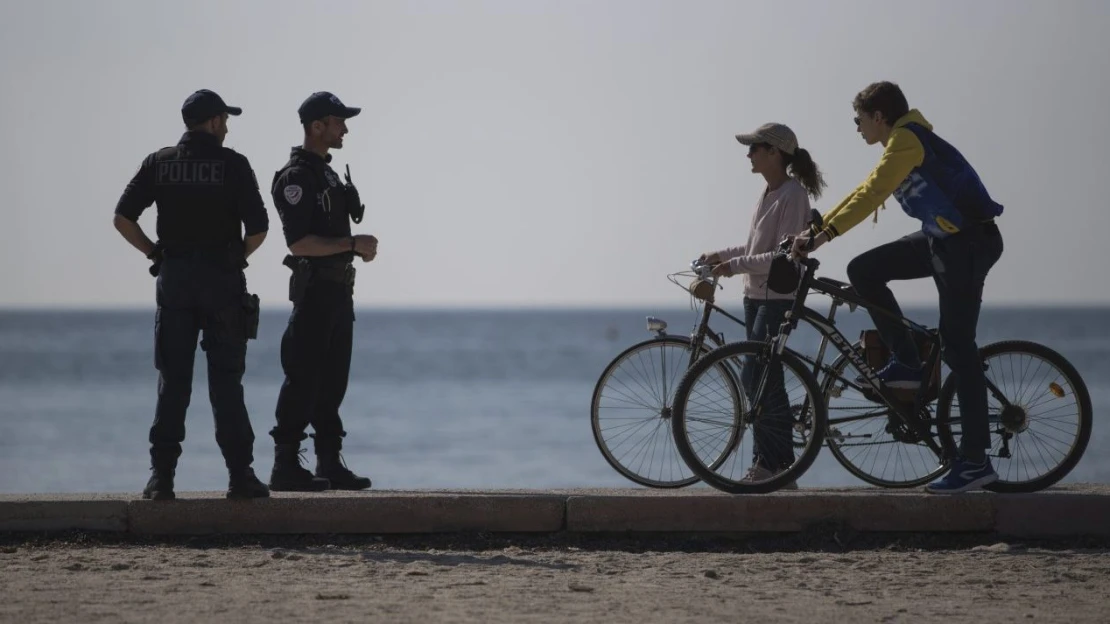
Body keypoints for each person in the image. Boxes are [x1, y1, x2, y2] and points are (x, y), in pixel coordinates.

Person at [791, 81, 1004, 494]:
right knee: (864, 270)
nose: (856, 129)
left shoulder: (907, 139)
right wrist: (817, 227)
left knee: (958, 345)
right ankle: (906, 363)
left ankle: (976, 461)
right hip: (943, 239)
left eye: (859, 120)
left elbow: (873, 193)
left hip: (969, 243)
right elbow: (864, 188)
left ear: (878, 117)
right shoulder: (900, 142)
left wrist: (822, 237)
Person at [112, 89, 271, 500]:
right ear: (215, 122)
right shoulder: (234, 164)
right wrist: (236, 257)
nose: (228, 127)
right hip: (222, 282)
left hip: (176, 281)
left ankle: (161, 479)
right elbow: (258, 229)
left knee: (173, 383)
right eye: (226, 119)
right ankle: (241, 477)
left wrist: (154, 253)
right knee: (227, 385)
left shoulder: (159, 163)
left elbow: (122, 217)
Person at [699, 122, 827, 487]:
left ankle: (773, 465)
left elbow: (782, 255)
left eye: (755, 147)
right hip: (754, 295)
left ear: (775, 152)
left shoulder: (793, 194)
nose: (749, 154)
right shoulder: (768, 193)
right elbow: (754, 248)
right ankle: (777, 467)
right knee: (764, 380)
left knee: (756, 375)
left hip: (777, 296)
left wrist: (732, 265)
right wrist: (719, 255)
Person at [268, 91, 378, 492]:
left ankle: (328, 463)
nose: (344, 128)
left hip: (338, 294)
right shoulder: (295, 177)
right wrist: (352, 245)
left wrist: (353, 249)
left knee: (333, 381)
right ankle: (285, 466)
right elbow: (298, 244)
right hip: (314, 294)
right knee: (302, 379)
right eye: (338, 121)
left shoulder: (328, 174)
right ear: (317, 127)